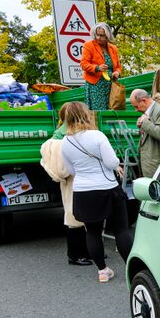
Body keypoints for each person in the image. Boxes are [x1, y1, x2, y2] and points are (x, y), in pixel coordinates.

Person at [61, 101, 133, 283]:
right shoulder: (97, 135)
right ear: (86, 115)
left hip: (83, 191)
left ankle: (102, 271)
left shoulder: (65, 142)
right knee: (121, 230)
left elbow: (71, 170)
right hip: (107, 187)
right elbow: (111, 162)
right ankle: (131, 271)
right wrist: (117, 165)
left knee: (92, 232)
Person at [39, 104, 93, 266]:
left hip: (80, 180)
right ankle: (75, 254)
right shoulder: (61, 136)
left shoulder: (63, 134)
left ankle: (87, 251)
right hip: (74, 180)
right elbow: (62, 166)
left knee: (82, 215)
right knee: (74, 215)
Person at [129, 89, 160, 178]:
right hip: (151, 167)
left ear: (143, 101)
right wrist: (142, 127)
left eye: (136, 106)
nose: (136, 110)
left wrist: (144, 123)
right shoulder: (148, 112)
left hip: (157, 168)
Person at [80, 22, 122, 111]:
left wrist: (117, 72)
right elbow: (84, 64)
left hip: (111, 85)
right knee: (99, 111)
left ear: (107, 36)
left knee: (113, 109)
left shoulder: (113, 48)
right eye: (97, 35)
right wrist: (97, 68)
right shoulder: (89, 45)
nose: (99, 38)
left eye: (102, 36)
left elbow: (118, 66)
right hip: (95, 86)